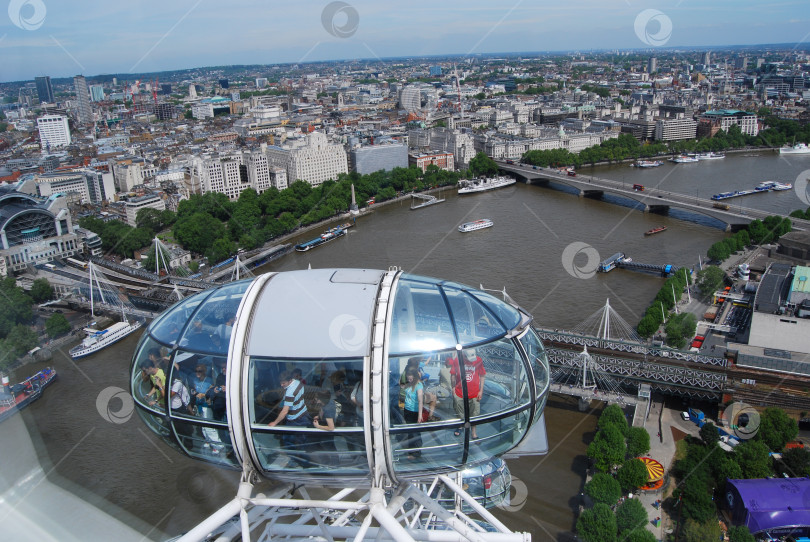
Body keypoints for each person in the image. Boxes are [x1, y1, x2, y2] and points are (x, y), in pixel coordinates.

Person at [268, 370, 311, 460]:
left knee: (288, 442)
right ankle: (304, 461)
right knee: (302, 443)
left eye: (283, 383)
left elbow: (284, 411)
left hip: (295, 420)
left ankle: (295, 461)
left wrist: (275, 423)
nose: (281, 385)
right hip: (304, 414)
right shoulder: (298, 382)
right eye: (281, 383)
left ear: (290, 380)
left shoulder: (290, 393)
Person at [448, 348, 486, 439]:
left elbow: (482, 375)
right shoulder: (457, 360)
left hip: (474, 393)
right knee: (460, 411)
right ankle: (461, 425)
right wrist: (453, 387)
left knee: (475, 413)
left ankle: (473, 432)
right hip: (459, 391)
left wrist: (481, 390)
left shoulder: (478, 360)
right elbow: (453, 374)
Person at [191, 364, 222, 454]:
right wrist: (194, 392)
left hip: (206, 405)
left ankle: (218, 445)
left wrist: (203, 395)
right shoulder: (195, 380)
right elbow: (194, 389)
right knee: (203, 426)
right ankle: (208, 440)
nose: (198, 373)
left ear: (204, 372)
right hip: (199, 405)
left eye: (200, 371)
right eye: (196, 371)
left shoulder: (209, 381)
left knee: (209, 426)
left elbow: (211, 393)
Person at [402, 367, 424, 459]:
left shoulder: (419, 386)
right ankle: (411, 451)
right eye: (408, 379)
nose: (409, 380)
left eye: (411, 379)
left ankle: (416, 452)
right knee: (410, 432)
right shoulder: (409, 384)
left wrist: (420, 415)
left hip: (414, 412)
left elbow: (420, 401)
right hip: (407, 410)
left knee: (415, 433)